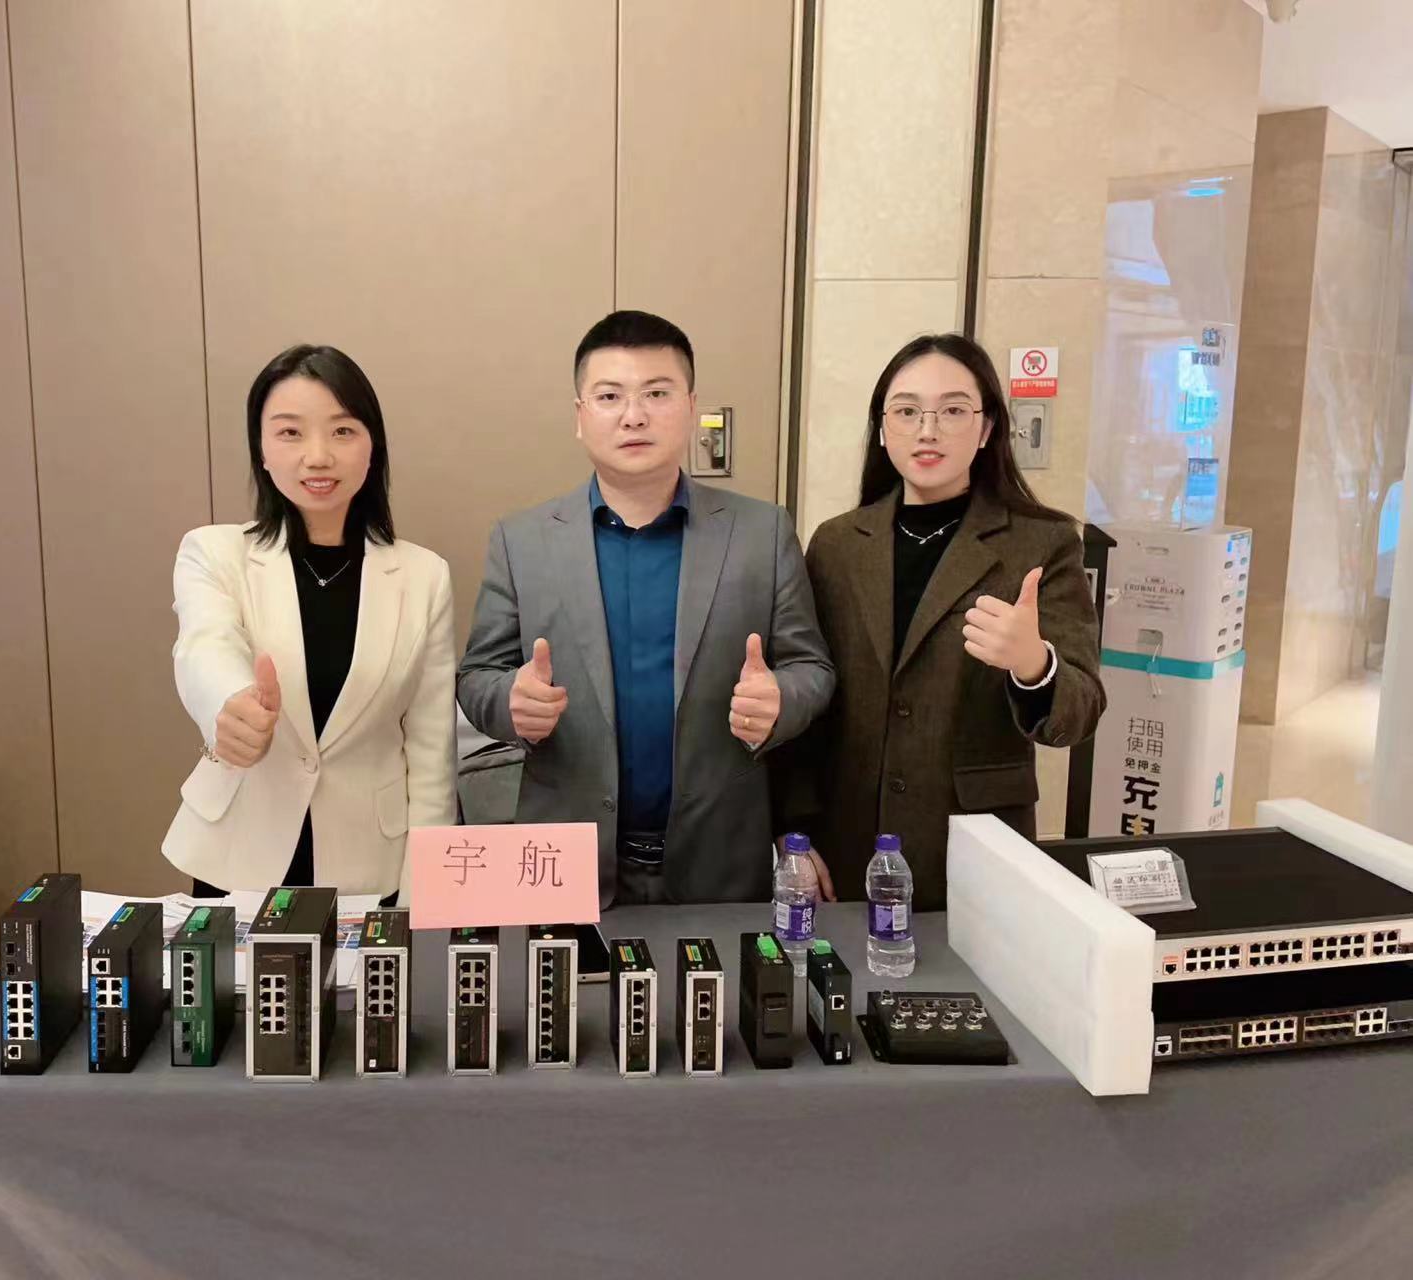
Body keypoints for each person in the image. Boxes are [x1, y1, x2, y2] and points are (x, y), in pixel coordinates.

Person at [457, 310, 835, 906]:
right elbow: (477, 675)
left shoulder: (761, 532)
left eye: (656, 393)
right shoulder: (521, 540)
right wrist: (510, 702)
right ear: (580, 415)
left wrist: (781, 701)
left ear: (690, 406)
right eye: (609, 396)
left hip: (719, 860)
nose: (633, 415)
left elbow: (812, 667)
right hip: (565, 860)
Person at [775, 332, 1104, 910]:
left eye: (953, 411)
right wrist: (792, 830)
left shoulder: (1043, 542)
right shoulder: (838, 544)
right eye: (907, 412)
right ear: (882, 429)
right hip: (847, 839)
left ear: (986, 428)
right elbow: (812, 700)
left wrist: (1034, 664)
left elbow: (1080, 711)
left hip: (975, 844)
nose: (927, 430)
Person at [162, 345, 456, 902]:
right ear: (261, 449)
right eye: (290, 433)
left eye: (342, 431)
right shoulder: (214, 552)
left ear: (372, 446)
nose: (317, 457)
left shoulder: (424, 576)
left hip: (371, 861)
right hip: (238, 853)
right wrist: (231, 706)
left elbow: (430, 751)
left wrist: (425, 892)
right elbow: (205, 644)